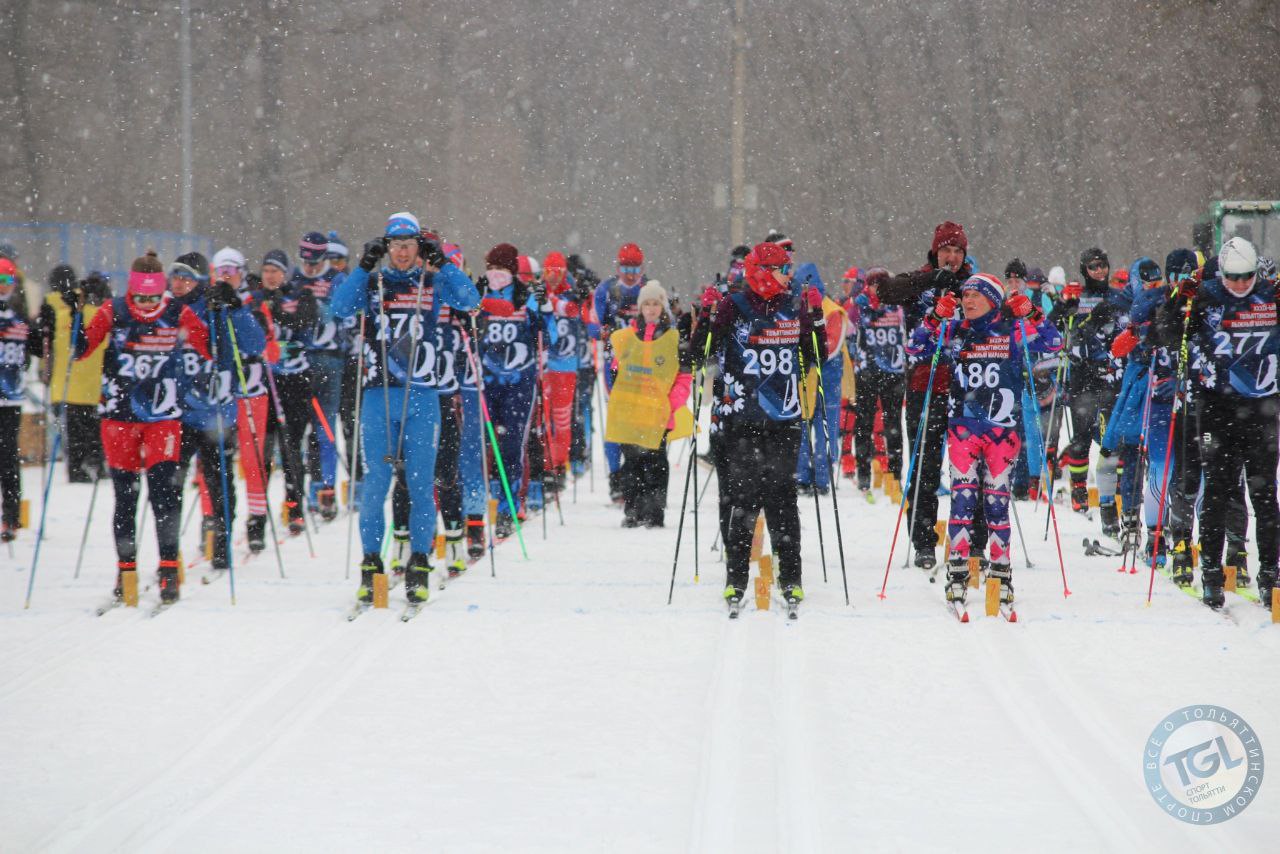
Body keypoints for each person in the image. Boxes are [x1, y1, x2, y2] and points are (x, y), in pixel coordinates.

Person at [332, 213, 480, 605]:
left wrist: (444, 262)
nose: (401, 252)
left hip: (423, 397)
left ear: (419, 248)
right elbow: (340, 308)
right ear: (386, 247)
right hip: (379, 397)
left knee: (419, 486)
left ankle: (418, 564)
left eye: (409, 245)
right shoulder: (374, 283)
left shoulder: (432, 283)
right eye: (394, 245)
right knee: (376, 486)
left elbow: (470, 300)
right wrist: (363, 266)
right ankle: (370, 565)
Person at [907, 273, 1062, 605]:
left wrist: (1033, 313)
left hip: (1002, 432)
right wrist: (935, 317)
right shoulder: (954, 331)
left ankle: (1001, 570)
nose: (968, 300)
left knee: (996, 502)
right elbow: (915, 346)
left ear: (993, 299)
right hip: (963, 428)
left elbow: (1054, 343)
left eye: (976, 295)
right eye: (965, 295)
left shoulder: (1012, 332)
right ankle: (958, 570)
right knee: (961, 499)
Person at [695, 241, 824, 612]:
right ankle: (736, 578)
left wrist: (815, 316)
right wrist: (705, 315)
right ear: (764, 272)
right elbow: (699, 352)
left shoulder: (792, 304)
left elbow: (815, 354)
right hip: (741, 420)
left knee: (783, 498)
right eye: (783, 269)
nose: (789, 275)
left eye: (789, 269)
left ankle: (791, 578)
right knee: (743, 500)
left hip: (784, 418)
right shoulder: (733, 306)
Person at [77, 252, 211, 605]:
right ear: (131, 291)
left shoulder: (176, 312)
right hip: (119, 417)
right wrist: (79, 308)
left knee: (164, 493)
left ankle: (168, 568)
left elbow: (213, 349)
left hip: (162, 417)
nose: (148, 305)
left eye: (154, 297)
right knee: (125, 496)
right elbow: (82, 349)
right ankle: (126, 570)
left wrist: (224, 311)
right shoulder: (113, 310)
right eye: (141, 298)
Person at [1156, 237, 1279, 608]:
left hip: (1262, 407)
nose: (1240, 285)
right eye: (1232, 277)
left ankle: (1270, 573)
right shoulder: (1204, 295)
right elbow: (1167, 334)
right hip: (1216, 408)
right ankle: (1210, 571)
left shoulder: (1271, 296)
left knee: (1264, 493)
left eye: (1246, 277)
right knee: (1218, 491)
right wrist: (1179, 301)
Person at [879, 221, 977, 570]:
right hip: (925, 383)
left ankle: (975, 538)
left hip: (968, 386)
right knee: (926, 464)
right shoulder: (919, 279)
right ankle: (923, 542)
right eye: (945, 251)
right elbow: (886, 291)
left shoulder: (973, 284)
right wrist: (929, 280)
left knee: (971, 465)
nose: (951, 258)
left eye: (957, 252)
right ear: (935, 252)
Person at [171, 255, 266, 569]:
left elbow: (254, 343)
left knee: (219, 480)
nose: (179, 284)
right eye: (175, 277)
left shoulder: (217, 306)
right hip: (179, 413)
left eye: (186, 278)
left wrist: (236, 307)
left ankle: (221, 538)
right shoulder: (166, 310)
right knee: (171, 482)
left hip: (216, 412)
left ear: (200, 279)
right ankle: (171, 547)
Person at [477, 243, 556, 536]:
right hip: (486, 380)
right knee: (485, 444)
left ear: (512, 271)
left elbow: (549, 338)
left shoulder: (525, 296)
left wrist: (543, 310)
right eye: (492, 269)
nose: (496, 275)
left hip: (519, 382)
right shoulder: (479, 293)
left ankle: (509, 507)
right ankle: (484, 504)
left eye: (502, 269)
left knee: (512, 445)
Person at [1054, 247, 1128, 535]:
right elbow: (1057, 327)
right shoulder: (1078, 297)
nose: (1099, 271)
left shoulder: (1116, 297)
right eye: (1094, 267)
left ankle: (1114, 494)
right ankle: (1079, 491)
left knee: (1110, 437)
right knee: (1081, 436)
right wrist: (1064, 305)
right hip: (1082, 376)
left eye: (1103, 266)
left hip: (1109, 374)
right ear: (1084, 270)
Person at [605, 281, 691, 527]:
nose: (651, 309)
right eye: (647, 304)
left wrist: (671, 403)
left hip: (658, 413)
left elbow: (684, 377)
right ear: (640, 308)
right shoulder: (627, 338)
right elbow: (616, 371)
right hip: (630, 413)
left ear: (662, 307)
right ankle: (632, 510)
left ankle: (654, 512)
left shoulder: (675, 339)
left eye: (656, 304)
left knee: (655, 462)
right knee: (631, 462)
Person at [247, 246, 316, 535]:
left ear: (285, 273)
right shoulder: (254, 298)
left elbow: (305, 321)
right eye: (266, 271)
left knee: (291, 447)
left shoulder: (300, 295)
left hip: (294, 380)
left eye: (275, 271)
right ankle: (257, 516)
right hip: (264, 381)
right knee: (262, 450)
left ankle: (294, 505)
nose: (271, 276)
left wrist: (276, 312)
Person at [293, 231, 347, 520]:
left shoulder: (336, 281)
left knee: (325, 427)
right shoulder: (294, 278)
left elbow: (343, 315)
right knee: (301, 430)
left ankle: (326, 487)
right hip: (300, 363)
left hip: (330, 360)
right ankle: (305, 490)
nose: (310, 268)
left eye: (316, 262)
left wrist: (317, 307)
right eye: (306, 262)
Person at [36, 264, 108, 482]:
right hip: (94, 384)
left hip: (65, 384)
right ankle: (96, 463)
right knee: (94, 430)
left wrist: (43, 371)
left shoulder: (52, 308)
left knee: (74, 433)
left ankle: (77, 469)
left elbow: (46, 346)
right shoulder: (99, 313)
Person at [593, 243, 647, 503]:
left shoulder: (648, 289)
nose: (630, 274)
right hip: (614, 363)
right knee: (617, 420)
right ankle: (616, 478)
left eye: (634, 269)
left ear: (642, 268)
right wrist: (604, 331)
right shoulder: (606, 290)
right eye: (625, 268)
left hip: (642, 366)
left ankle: (635, 475)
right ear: (618, 267)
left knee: (639, 421)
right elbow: (592, 328)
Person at [849, 267, 906, 492]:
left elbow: (908, 329)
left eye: (883, 284)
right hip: (867, 372)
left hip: (893, 371)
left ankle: (895, 473)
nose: (878, 289)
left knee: (893, 424)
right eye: (874, 284)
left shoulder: (898, 305)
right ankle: (863, 472)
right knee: (863, 423)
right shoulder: (860, 306)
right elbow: (850, 332)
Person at [793, 263, 847, 495]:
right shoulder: (795, 307)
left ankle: (822, 479)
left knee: (825, 428)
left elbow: (831, 346)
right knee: (802, 428)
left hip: (827, 379)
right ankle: (802, 476)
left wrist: (810, 351)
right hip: (805, 377)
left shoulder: (832, 309)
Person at [0, 258, 38, 539]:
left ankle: (10, 517)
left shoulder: (19, 319)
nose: (3, 287)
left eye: (7, 281)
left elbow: (34, 349)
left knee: (8, 459)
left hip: (10, 399)